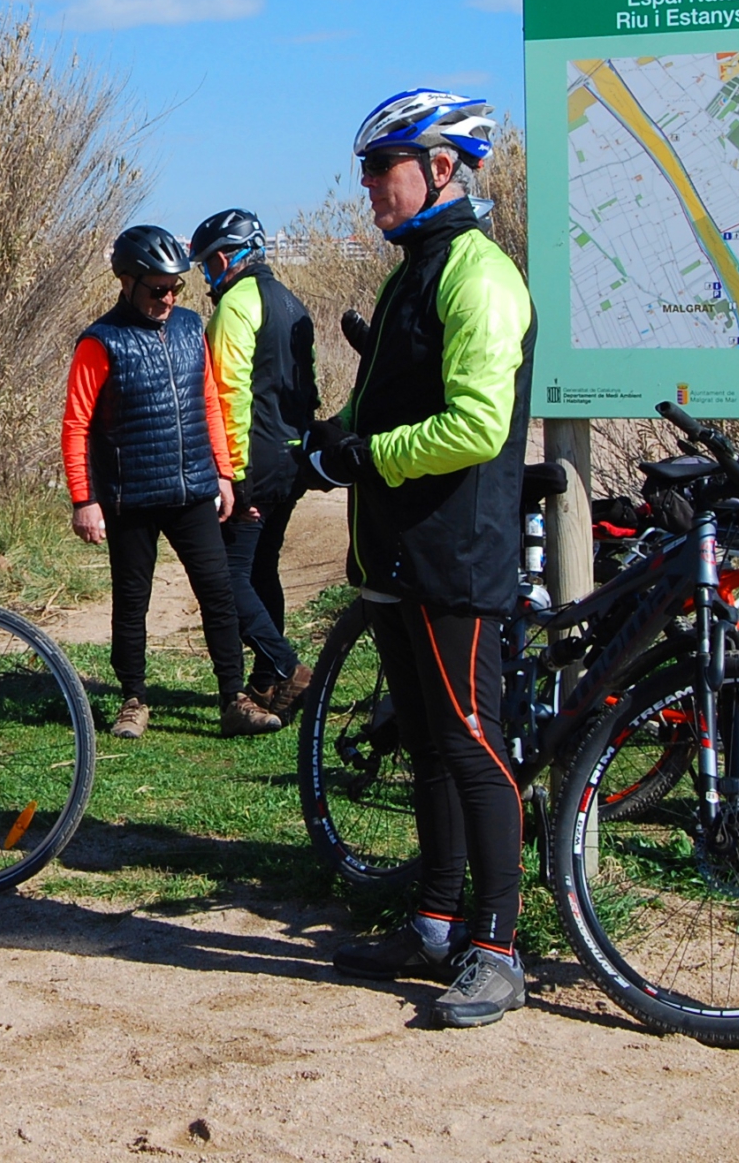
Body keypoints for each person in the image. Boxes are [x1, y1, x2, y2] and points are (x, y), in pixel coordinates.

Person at [303, 90, 536, 1029]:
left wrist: (368, 456)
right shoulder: (413, 274)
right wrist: (328, 441)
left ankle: (500, 949)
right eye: (365, 170)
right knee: (428, 746)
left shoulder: (477, 276)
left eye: (381, 168)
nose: (366, 186)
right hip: (394, 557)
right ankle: (435, 924)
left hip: (453, 553)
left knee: (474, 744)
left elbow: (477, 425)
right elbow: (387, 398)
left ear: (442, 168)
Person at [63, 225, 304, 739]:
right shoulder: (99, 342)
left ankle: (233, 698)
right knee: (132, 599)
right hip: (130, 495)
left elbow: (212, 403)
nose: (168, 299)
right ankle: (133, 698)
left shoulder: (193, 327)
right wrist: (85, 499)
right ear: (126, 282)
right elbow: (76, 424)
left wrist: (224, 472)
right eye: (157, 289)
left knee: (218, 593)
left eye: (176, 288)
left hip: (194, 486)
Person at [189, 208, 320, 714]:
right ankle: (268, 682)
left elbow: (228, 396)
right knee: (263, 569)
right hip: (291, 458)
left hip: (253, 461)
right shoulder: (292, 302)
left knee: (224, 576)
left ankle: (288, 666)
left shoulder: (236, 306)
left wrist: (233, 476)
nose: (205, 277)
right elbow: (305, 388)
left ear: (224, 259)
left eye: (205, 267)